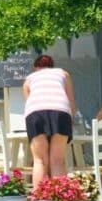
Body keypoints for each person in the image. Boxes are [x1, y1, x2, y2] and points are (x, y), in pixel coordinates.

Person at [22, 54, 77, 187]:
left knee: (40, 161)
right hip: (60, 111)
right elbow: (71, 103)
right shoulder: (63, 74)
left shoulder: (29, 80)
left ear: (36, 68)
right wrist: (70, 120)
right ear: (52, 66)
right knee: (57, 160)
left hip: (35, 112)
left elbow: (29, 102)